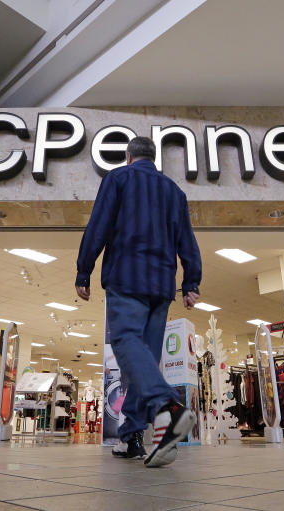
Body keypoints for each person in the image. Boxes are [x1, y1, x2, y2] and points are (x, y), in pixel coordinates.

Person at [75, 136, 202, 468]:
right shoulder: (174, 191)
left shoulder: (117, 178)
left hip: (126, 276)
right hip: (161, 285)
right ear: (153, 158)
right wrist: (191, 281)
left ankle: (168, 408)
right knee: (141, 359)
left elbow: (98, 226)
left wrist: (83, 270)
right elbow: (186, 239)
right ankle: (131, 436)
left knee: (124, 340)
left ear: (128, 156)